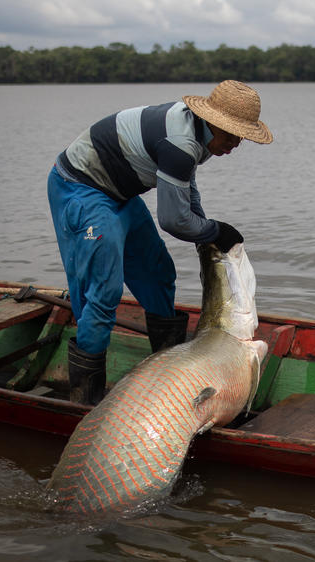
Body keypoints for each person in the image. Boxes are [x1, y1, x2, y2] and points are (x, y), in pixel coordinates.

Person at [47, 80, 272, 405]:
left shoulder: (201, 137)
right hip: (82, 188)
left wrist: (206, 234)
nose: (235, 143)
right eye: (230, 134)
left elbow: (186, 190)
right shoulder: (179, 143)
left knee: (159, 273)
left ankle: (169, 379)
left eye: (241, 136)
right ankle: (85, 403)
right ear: (212, 121)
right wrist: (213, 230)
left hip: (120, 193)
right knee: (104, 292)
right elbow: (173, 220)